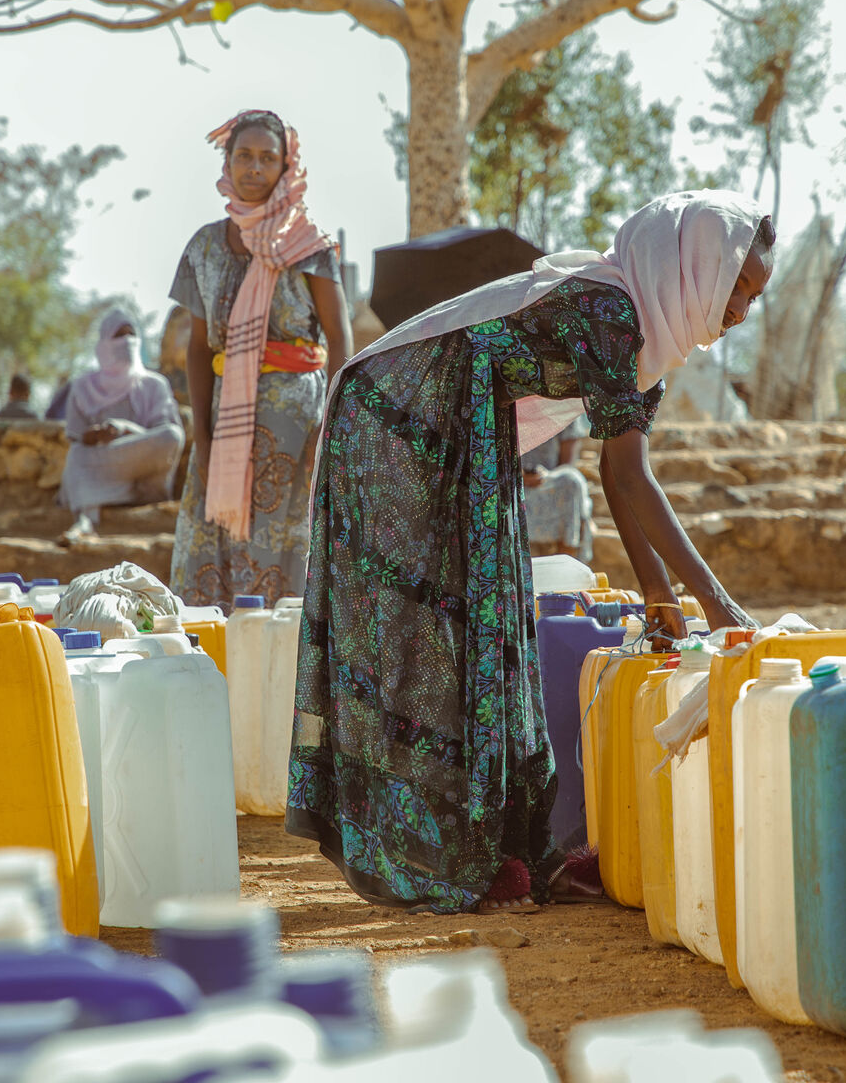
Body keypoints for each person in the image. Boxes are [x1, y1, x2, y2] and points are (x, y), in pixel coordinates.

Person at [287, 189, 773, 915]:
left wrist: (661, 600)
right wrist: (718, 603)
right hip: (398, 413)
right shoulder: (611, 309)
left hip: (466, 418)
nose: (742, 309)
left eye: (754, 295)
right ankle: (443, 850)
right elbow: (631, 477)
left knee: (496, 612)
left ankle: (509, 848)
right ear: (695, 264)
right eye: (738, 286)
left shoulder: (648, 334)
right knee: (443, 623)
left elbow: (616, 473)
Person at [169, 109, 352, 609]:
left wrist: (332, 425)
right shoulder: (204, 246)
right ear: (226, 162)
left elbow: (339, 337)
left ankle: (283, 648)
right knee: (213, 538)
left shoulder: (307, 244)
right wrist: (201, 437)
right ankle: (220, 648)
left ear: (285, 166)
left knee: (287, 539)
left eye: (267, 158)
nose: (254, 168)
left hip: (295, 424)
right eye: (244, 156)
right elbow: (198, 348)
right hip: (225, 418)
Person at [58, 305, 186, 543]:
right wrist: (94, 436)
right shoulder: (83, 386)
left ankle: (127, 498)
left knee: (172, 435)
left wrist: (124, 429)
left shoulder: (154, 385)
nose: (127, 341)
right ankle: (85, 521)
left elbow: (163, 435)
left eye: (131, 334)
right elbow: (75, 436)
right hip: (104, 462)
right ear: (104, 343)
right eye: (119, 335)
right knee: (76, 454)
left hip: (141, 465)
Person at [522, 417, 593, 559]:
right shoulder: (506, 409)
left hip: (550, 482)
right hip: (513, 483)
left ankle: (566, 556)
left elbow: (567, 465)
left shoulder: (563, 411)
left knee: (572, 480)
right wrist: (520, 476)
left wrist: (546, 476)